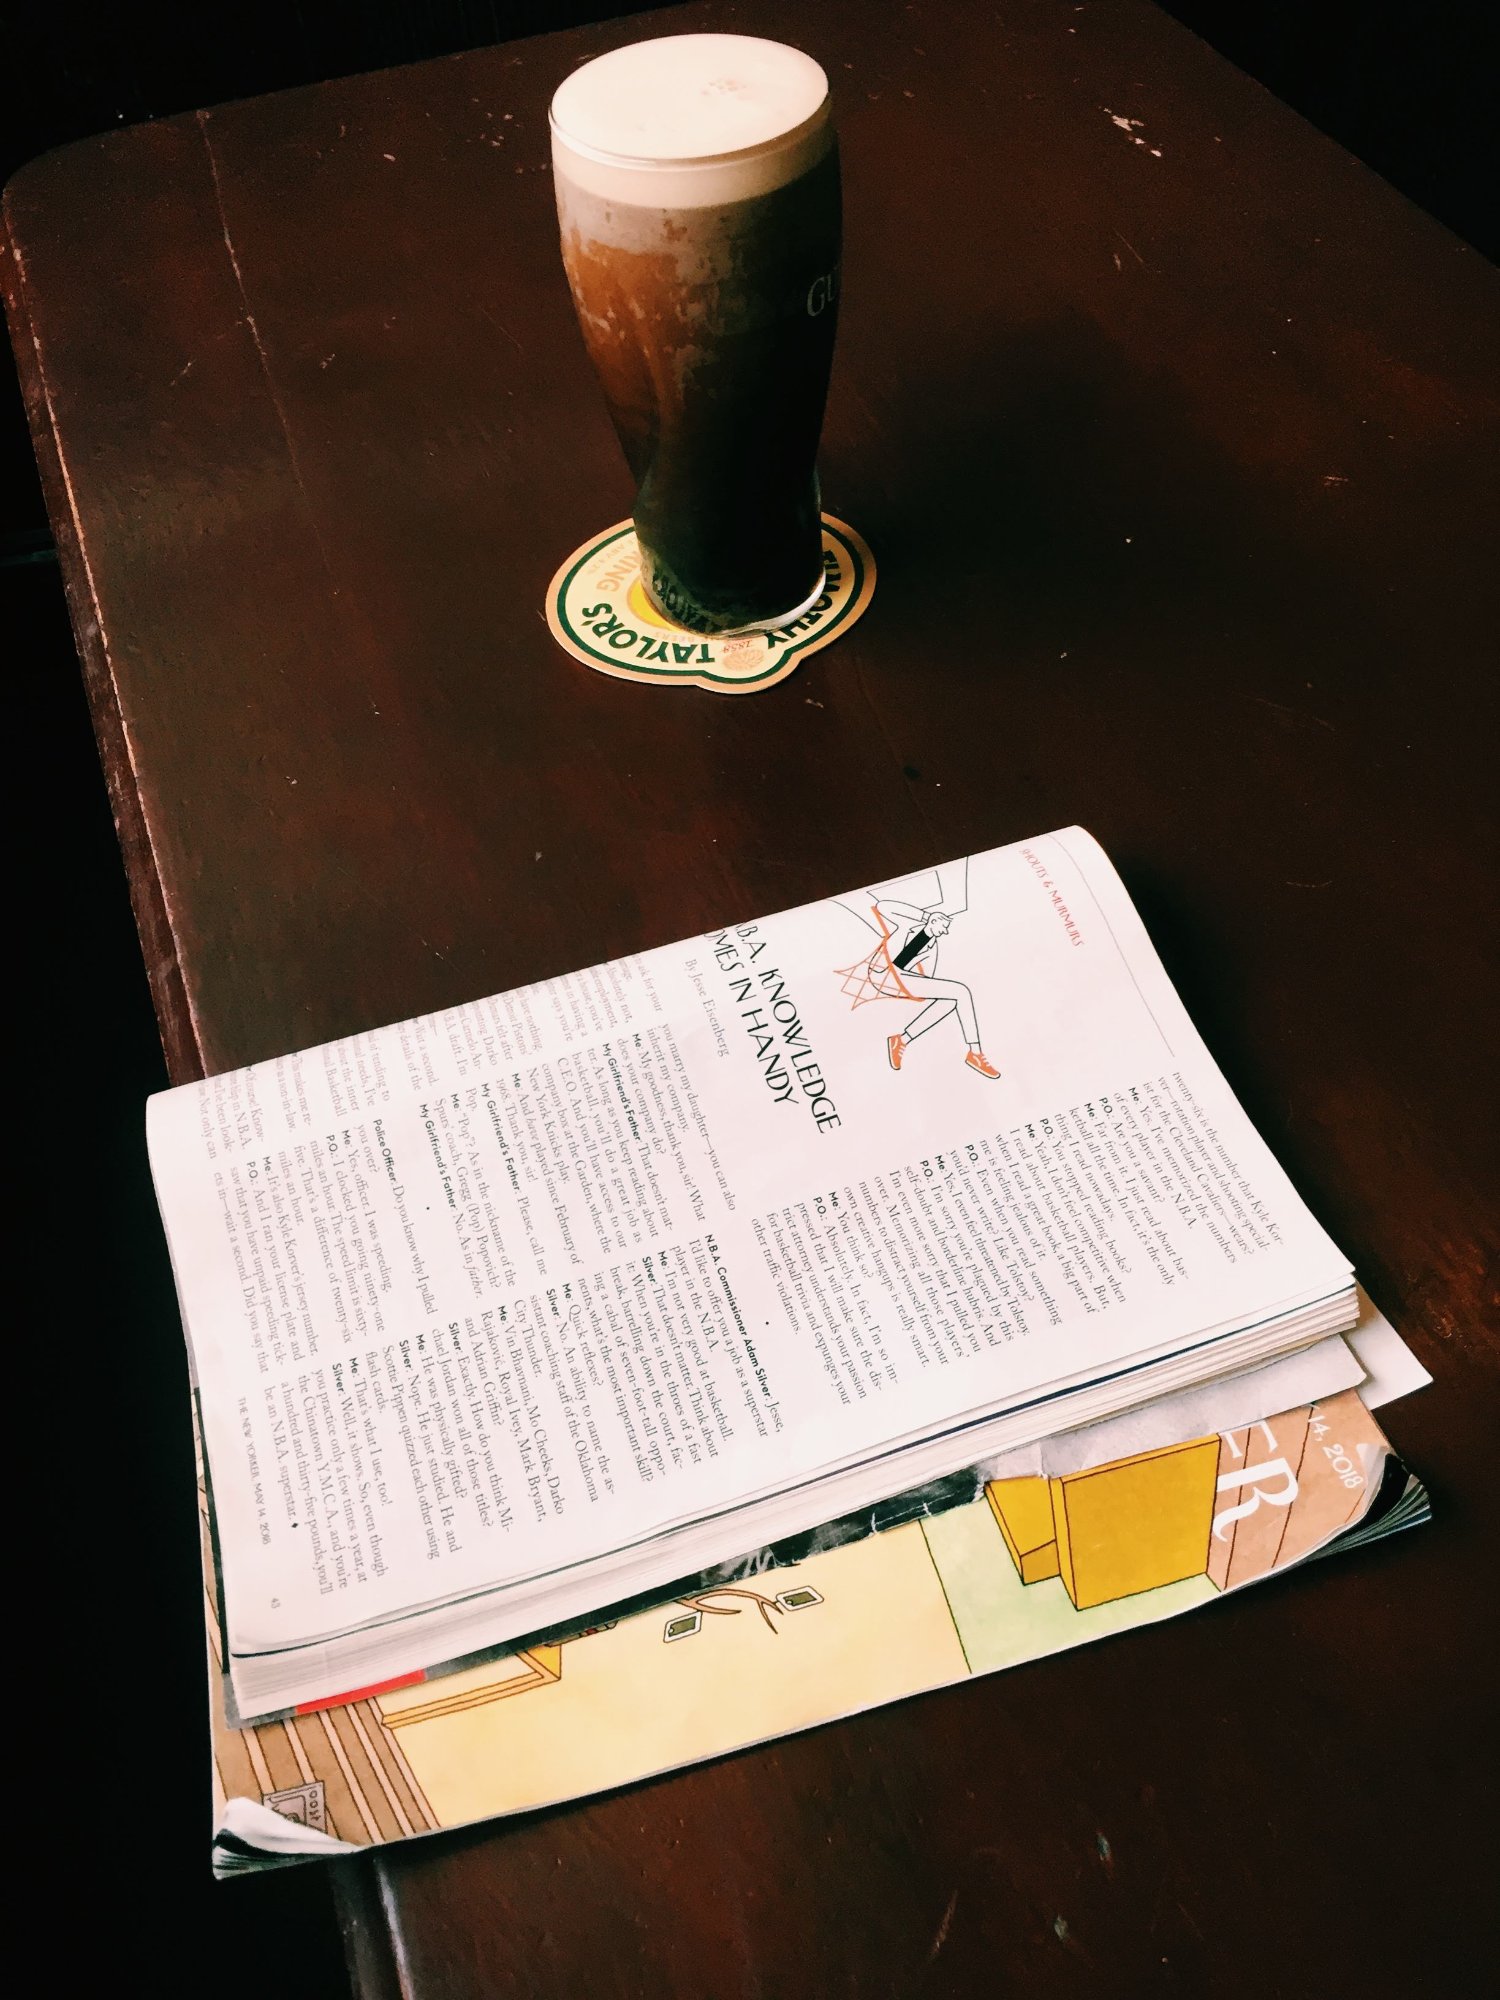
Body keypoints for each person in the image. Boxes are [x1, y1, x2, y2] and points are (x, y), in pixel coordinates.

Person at [838, 893, 1000, 1078]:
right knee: (961, 992)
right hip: (883, 973)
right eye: (943, 926)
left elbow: (927, 977)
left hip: (900, 978)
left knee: (952, 1000)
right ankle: (975, 1054)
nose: (945, 931)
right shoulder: (908, 925)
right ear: (934, 921)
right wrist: (924, 916)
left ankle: (902, 1040)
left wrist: (924, 968)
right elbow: (883, 905)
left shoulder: (932, 946)